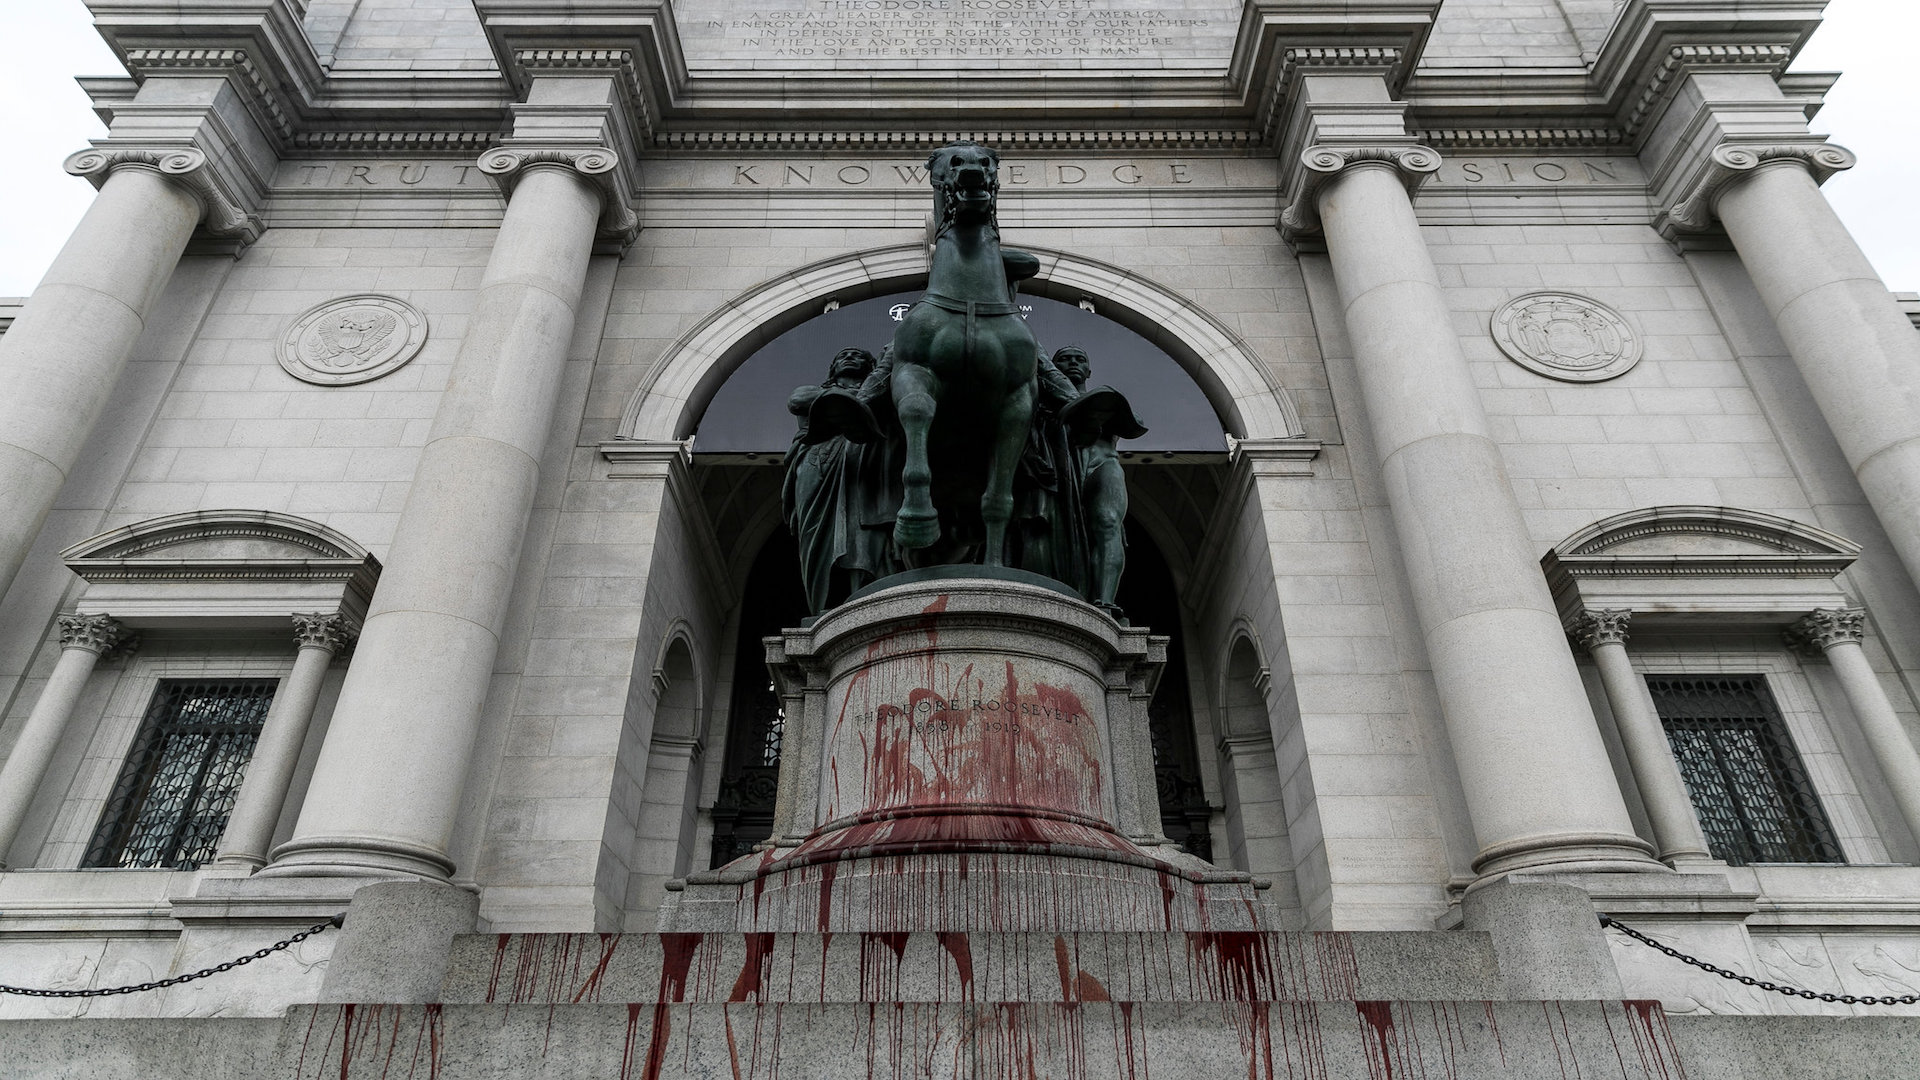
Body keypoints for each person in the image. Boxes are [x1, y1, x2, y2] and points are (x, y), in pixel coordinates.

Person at [782, 347, 895, 614]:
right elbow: (797, 400)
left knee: (863, 530)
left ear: (870, 367)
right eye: (844, 356)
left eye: (858, 356)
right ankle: (822, 605)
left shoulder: (884, 394)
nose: (850, 358)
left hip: (863, 462)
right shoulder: (813, 391)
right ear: (833, 368)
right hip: (817, 464)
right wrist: (866, 395)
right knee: (816, 533)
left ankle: (864, 591)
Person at [1053, 346, 1148, 616]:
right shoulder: (1043, 403)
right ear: (1053, 368)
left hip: (1102, 466)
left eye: (1079, 359)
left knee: (1108, 523)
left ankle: (1105, 601)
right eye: (1064, 359)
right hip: (1060, 473)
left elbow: (1135, 424)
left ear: (1089, 370)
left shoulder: (1105, 400)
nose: (1072, 363)